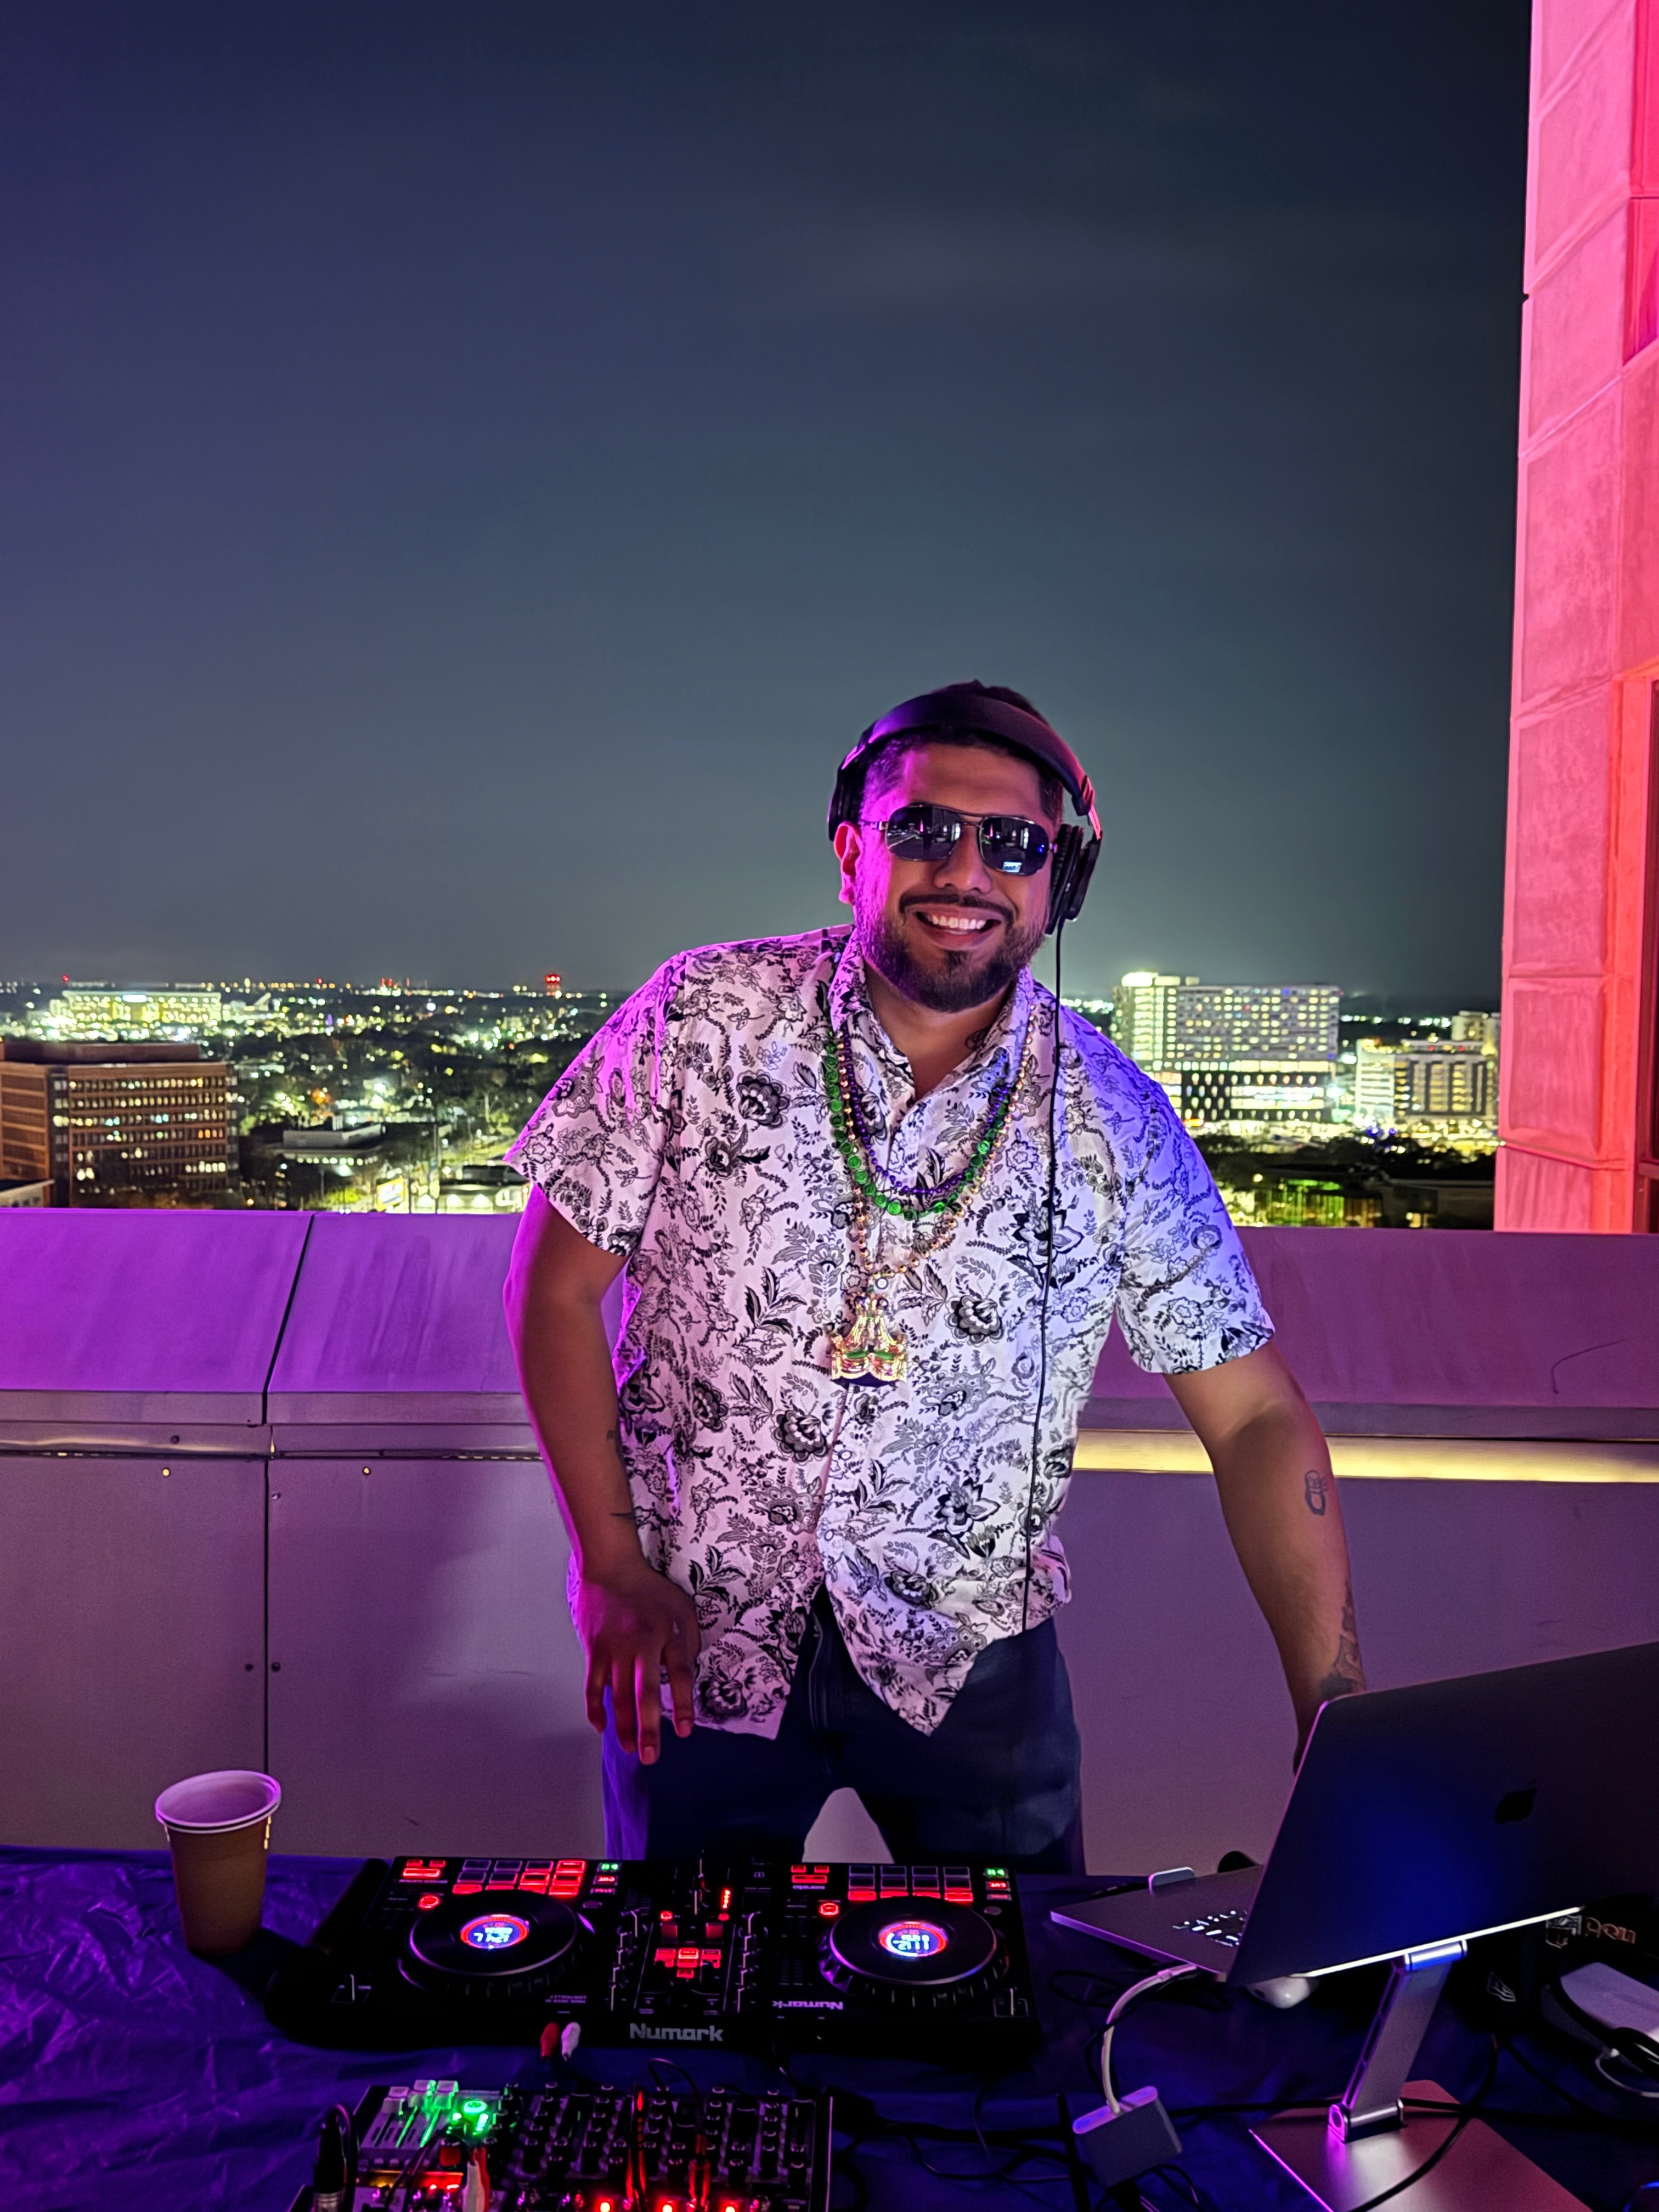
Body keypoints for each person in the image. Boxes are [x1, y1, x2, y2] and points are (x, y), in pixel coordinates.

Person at [504, 681, 1363, 1870]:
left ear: (1061, 879)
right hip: (694, 1634)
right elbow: (553, 1292)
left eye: (1013, 843)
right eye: (923, 829)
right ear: (852, 851)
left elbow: (1257, 1413)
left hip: (976, 1665)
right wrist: (611, 1570)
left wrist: (1334, 1709)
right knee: (688, 1973)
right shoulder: (700, 1019)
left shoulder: (1114, 1117)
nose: (966, 871)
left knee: (1019, 1980)